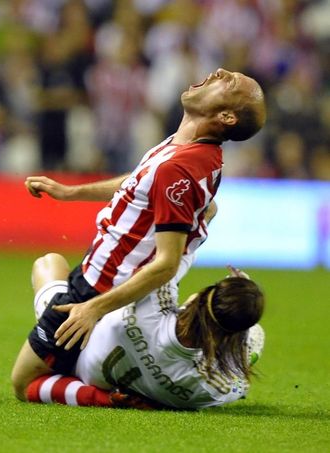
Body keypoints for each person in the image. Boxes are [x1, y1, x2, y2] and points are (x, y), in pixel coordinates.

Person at [22, 68, 266, 368]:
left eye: (229, 82)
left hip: (105, 286)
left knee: (25, 383)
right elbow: (142, 181)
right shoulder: (187, 150)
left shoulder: (180, 169)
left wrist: (94, 308)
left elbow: (167, 262)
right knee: (48, 265)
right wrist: (70, 193)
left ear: (227, 117)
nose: (219, 72)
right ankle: (88, 348)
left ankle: (98, 372)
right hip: (104, 277)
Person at [11, 252, 265, 410]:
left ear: (204, 297)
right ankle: (102, 397)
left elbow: (169, 260)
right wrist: (243, 349)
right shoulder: (210, 387)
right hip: (105, 377)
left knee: (49, 262)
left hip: (71, 338)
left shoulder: (154, 305)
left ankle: (99, 398)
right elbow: (236, 378)